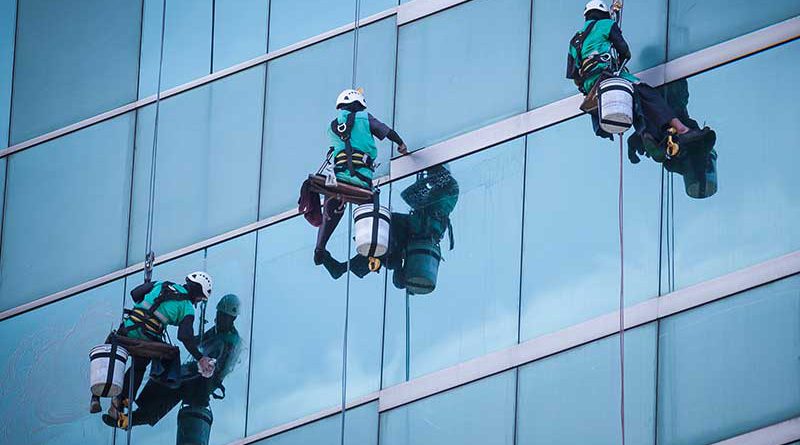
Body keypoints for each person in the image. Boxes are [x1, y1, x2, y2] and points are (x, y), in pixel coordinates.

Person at [567, 0, 704, 147]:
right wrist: (618, 62)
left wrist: (588, 86)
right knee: (648, 95)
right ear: (604, 14)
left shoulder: (575, 39)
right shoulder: (606, 25)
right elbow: (624, 51)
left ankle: (648, 136)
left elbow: (574, 75)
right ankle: (682, 130)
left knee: (632, 101)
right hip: (606, 75)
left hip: (591, 85)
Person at [99, 272, 216, 429]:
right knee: (143, 365)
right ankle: (125, 399)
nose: (198, 301)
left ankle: (114, 400)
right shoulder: (187, 308)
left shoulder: (161, 283)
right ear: (197, 292)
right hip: (145, 339)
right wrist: (200, 358)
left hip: (125, 331)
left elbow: (135, 294)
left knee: (126, 361)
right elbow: (184, 336)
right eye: (200, 298)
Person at [314, 89, 408, 266]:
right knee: (372, 210)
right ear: (358, 104)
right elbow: (387, 132)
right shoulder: (365, 118)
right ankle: (375, 249)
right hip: (361, 181)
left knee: (332, 207)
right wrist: (401, 144)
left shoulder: (332, 126)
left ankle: (320, 247)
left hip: (338, 180)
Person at [126, 294, 243, 428]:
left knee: (174, 383)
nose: (219, 318)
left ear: (232, 318)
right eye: (219, 314)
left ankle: (140, 417)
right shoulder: (217, 331)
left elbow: (220, 367)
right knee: (165, 374)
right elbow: (199, 340)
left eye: (224, 316)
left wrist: (204, 366)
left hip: (205, 380)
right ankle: (140, 410)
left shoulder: (231, 341)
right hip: (198, 372)